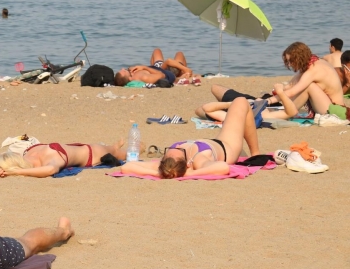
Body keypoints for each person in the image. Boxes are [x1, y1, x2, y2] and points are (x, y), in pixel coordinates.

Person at [121, 97, 261, 179]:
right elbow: (223, 167)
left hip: (214, 141)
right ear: (188, 163)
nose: (177, 147)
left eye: (168, 150)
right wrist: (190, 173)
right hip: (227, 146)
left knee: (239, 104)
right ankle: (256, 154)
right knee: (241, 101)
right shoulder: (199, 159)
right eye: (180, 152)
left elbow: (127, 167)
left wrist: (158, 173)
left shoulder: (166, 164)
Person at [0, 140, 130, 178]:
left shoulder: (50, 159)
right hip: (75, 148)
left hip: (92, 153)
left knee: (124, 153)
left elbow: (51, 170)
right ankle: (118, 143)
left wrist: (17, 173)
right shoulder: (21, 156)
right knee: (118, 149)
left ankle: (124, 144)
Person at [271, 41, 345, 115]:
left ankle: (287, 113)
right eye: (288, 61)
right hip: (330, 107)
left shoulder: (313, 70)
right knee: (303, 87)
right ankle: (287, 110)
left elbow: (291, 92)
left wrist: (268, 101)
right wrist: (275, 92)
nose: (289, 64)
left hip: (336, 111)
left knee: (309, 86)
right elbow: (291, 85)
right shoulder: (312, 62)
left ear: (298, 58)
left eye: (291, 61)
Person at [196, 83, 298, 122]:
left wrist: (232, 104)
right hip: (247, 100)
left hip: (233, 106)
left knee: (198, 110)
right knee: (215, 87)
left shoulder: (235, 117)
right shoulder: (261, 111)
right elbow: (291, 112)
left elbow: (206, 108)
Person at [114, 48, 197, 86]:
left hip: (157, 68)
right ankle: (185, 71)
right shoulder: (144, 77)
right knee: (178, 54)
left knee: (156, 50)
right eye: (123, 71)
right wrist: (145, 67)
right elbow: (161, 75)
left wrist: (135, 69)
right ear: (127, 77)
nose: (122, 69)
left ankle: (184, 73)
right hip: (168, 72)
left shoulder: (132, 74)